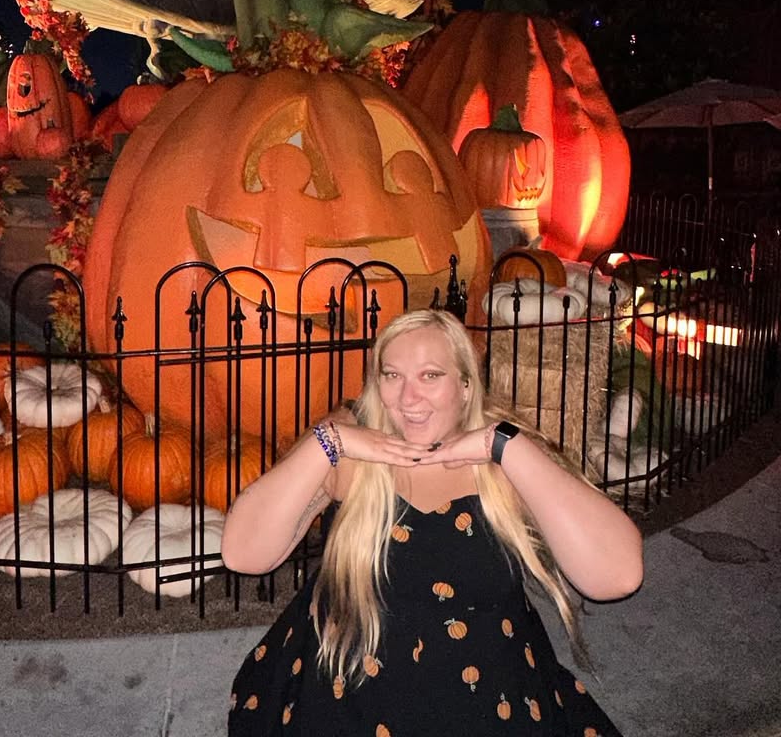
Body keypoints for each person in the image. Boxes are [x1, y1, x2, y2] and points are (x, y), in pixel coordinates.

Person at [223, 309, 643, 735]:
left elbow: (618, 576)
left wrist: (508, 448)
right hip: (349, 694)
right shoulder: (350, 454)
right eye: (392, 375)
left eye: (430, 376)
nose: (409, 398)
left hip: (486, 696)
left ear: (465, 385)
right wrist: (327, 441)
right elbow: (243, 554)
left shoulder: (501, 465)